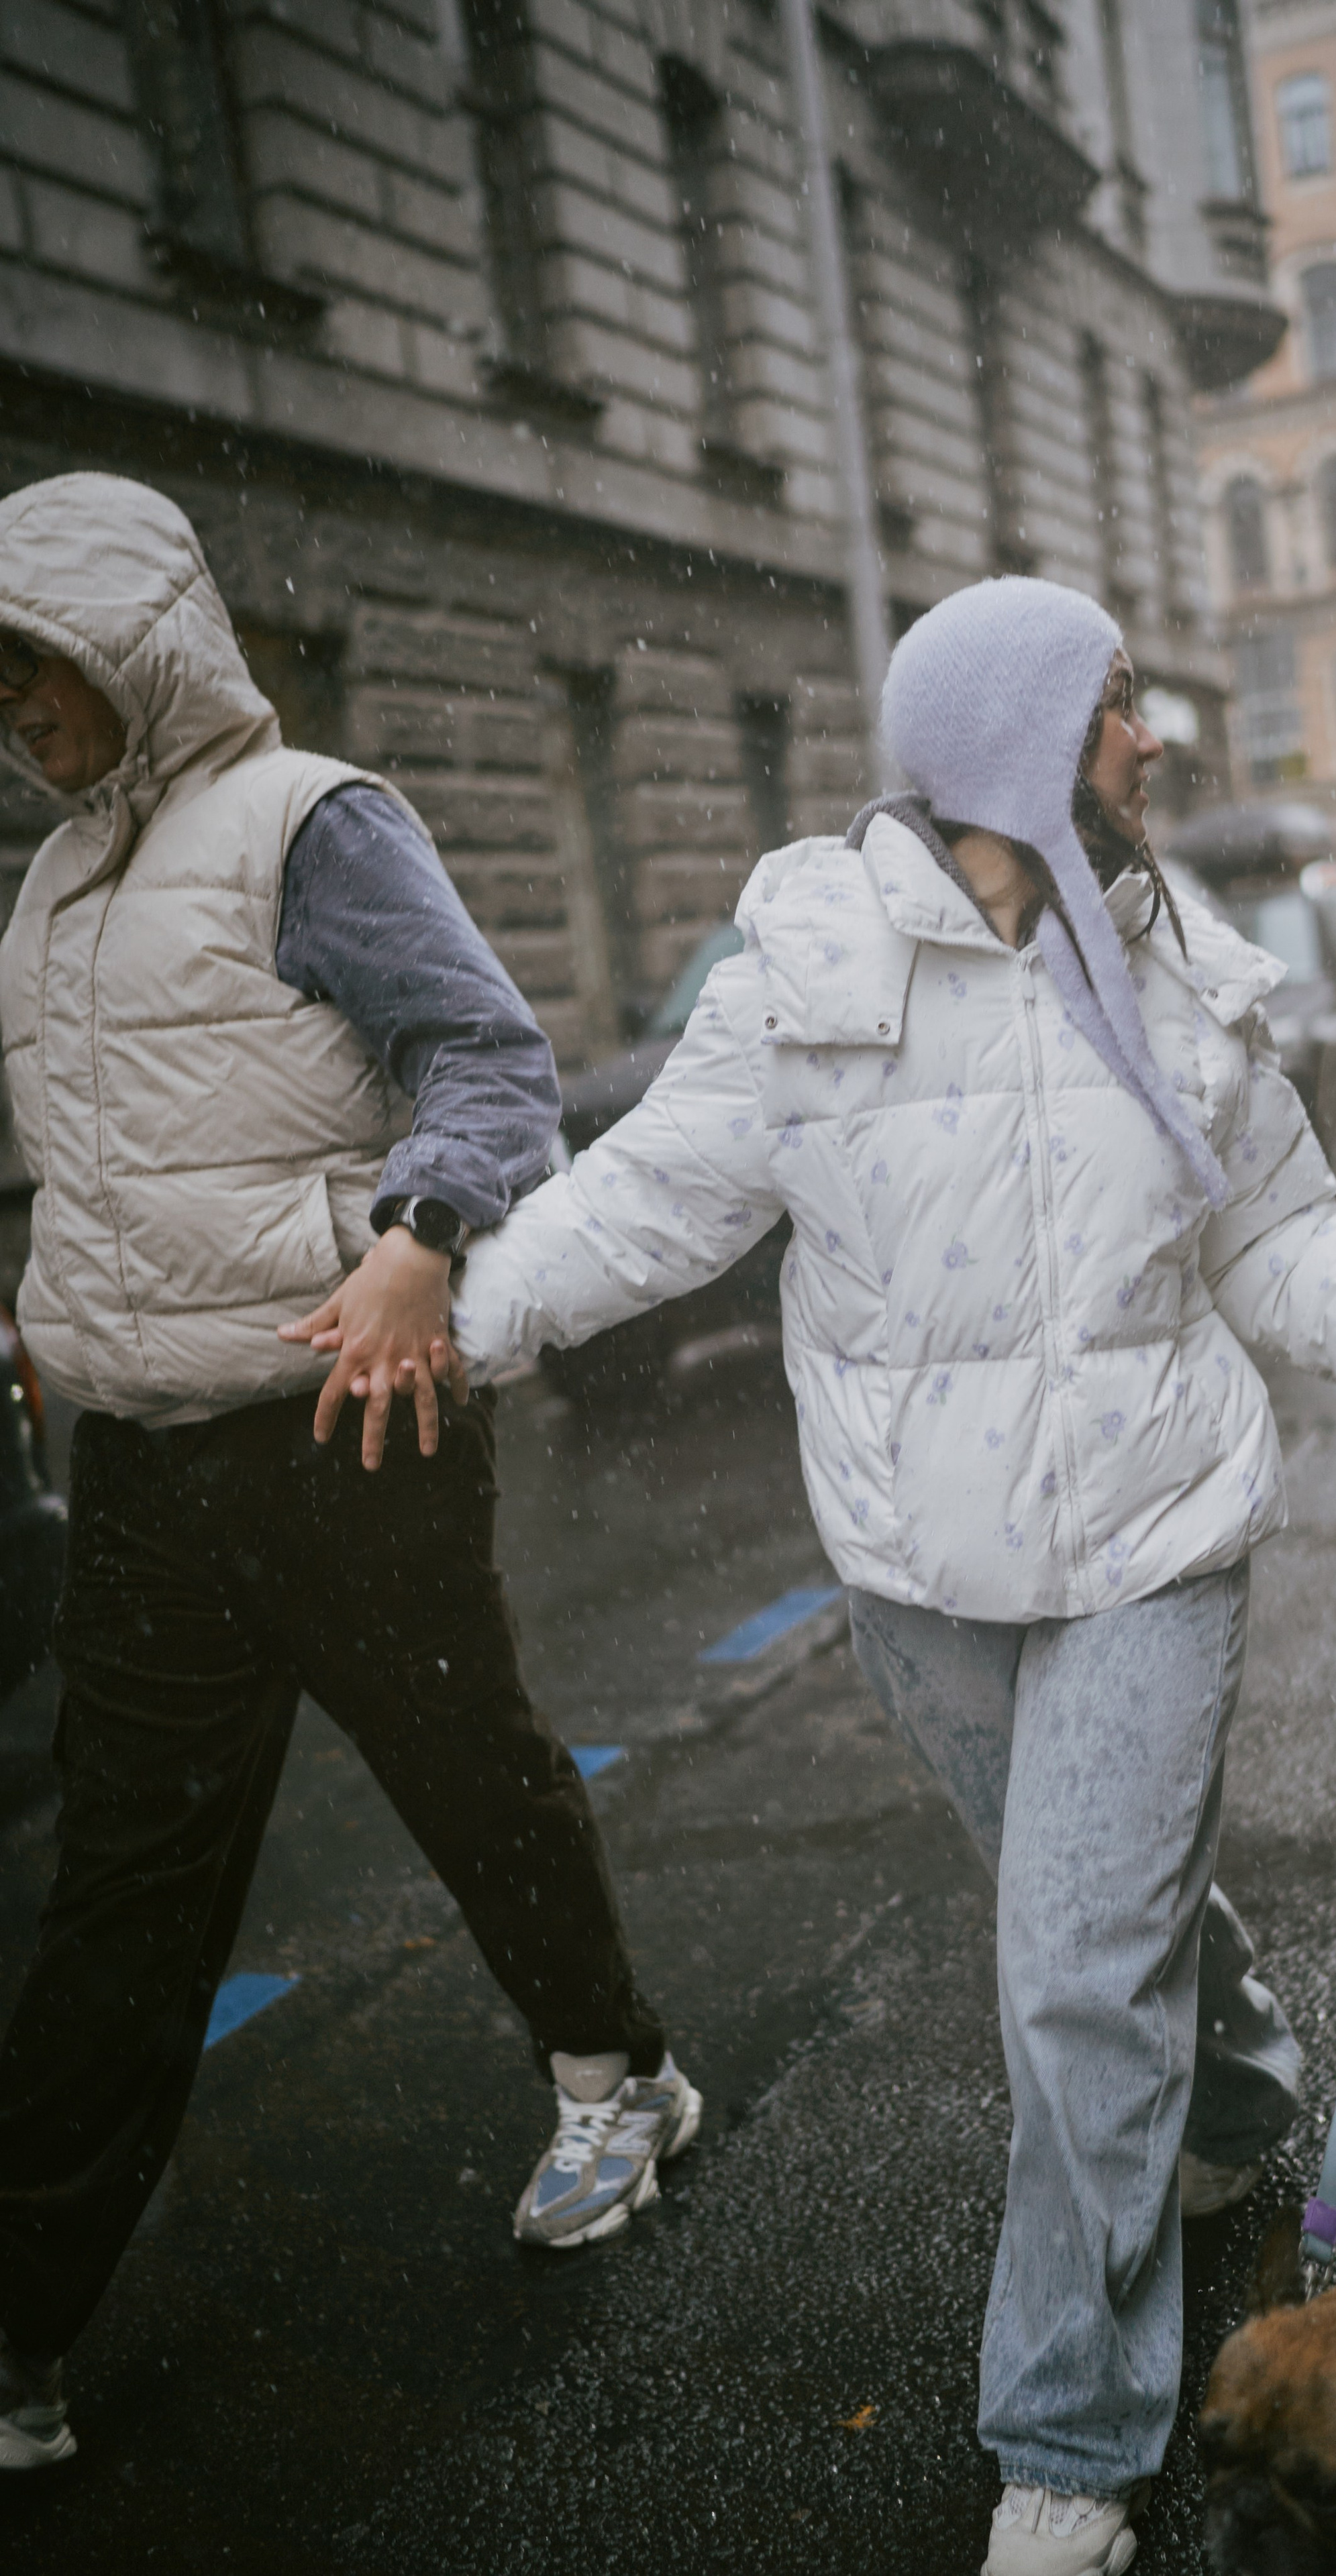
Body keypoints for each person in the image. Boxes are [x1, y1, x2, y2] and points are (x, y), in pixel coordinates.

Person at [293, 576, 1336, 2576]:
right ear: (1017, 741)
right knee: (1096, 1927)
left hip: (1155, 1535)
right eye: (1122, 708)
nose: (1157, 742)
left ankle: (1067, 2446)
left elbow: (1275, 1230)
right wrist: (451, 1312)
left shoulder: (1181, 962)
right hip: (918, 1563)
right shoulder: (810, 963)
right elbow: (648, 1206)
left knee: (1068, 1973)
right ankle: (1241, 2072)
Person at [0, 473, 699, 2475]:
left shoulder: (316, 821)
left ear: (121, 640)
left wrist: (421, 1229)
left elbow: (486, 1056)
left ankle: (614, 2078)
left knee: (469, 1771)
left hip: (345, 1422)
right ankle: (20, 2326)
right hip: (139, 1465)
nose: (16, 713)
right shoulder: (51, 888)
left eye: (31, 668)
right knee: (118, 1900)